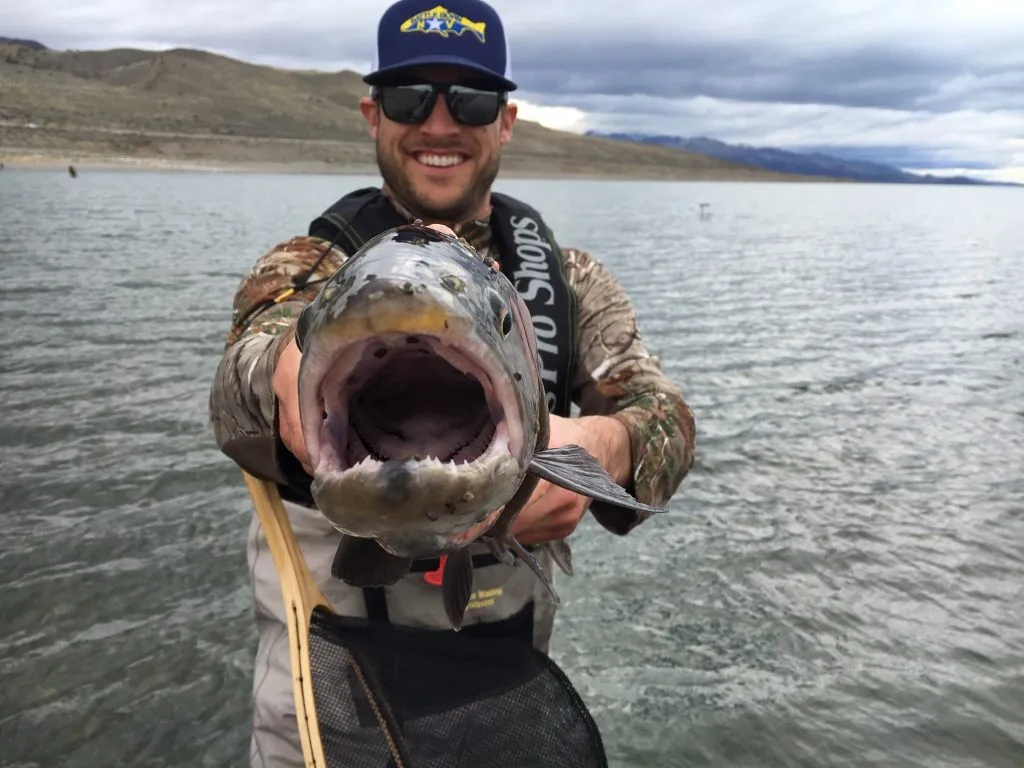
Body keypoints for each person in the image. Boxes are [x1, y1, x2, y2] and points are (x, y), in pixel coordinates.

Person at [208, 0, 696, 764]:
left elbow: (665, 415)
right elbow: (235, 387)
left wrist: (604, 445)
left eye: (469, 99)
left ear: (505, 121)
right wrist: (285, 369)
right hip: (327, 713)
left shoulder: (572, 283)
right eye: (410, 97)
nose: (439, 124)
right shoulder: (302, 269)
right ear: (373, 114)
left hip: (507, 707)